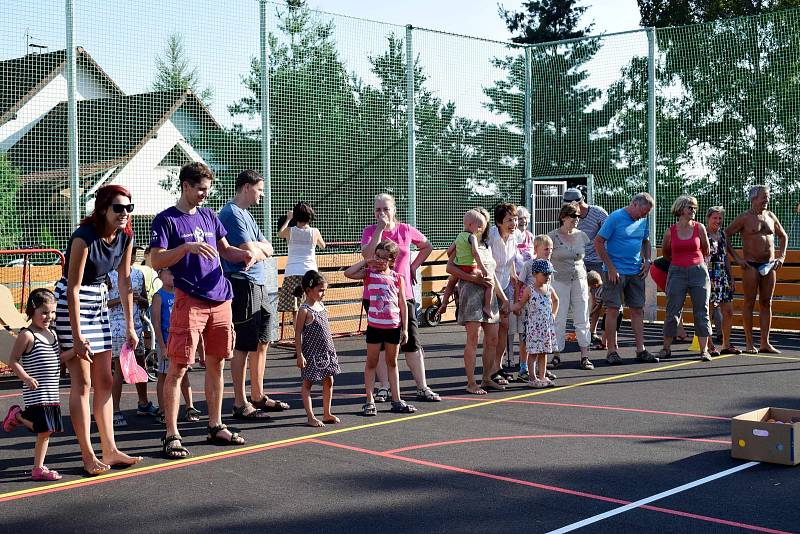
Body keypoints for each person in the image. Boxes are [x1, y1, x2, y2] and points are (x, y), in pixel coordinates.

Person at [150, 162, 256, 459]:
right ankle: (171, 434)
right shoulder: (166, 220)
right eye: (200, 189)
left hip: (220, 299)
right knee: (179, 366)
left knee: (217, 364)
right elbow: (155, 260)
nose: (204, 196)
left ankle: (215, 425)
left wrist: (245, 255)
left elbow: (225, 250)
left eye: (207, 191)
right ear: (185, 185)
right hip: (189, 301)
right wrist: (186, 249)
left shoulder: (210, 216)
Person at [55, 184, 143, 475]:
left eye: (129, 208)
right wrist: (77, 337)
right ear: (103, 208)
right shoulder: (84, 238)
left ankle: (111, 449)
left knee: (105, 380)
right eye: (118, 208)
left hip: (100, 301)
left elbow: (125, 281)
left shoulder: (125, 237)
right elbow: (73, 288)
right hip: (74, 303)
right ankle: (88, 454)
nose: (125, 214)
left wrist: (130, 325)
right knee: (83, 384)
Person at [219, 170, 288, 421]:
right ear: (246, 187)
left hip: (260, 283)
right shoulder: (231, 214)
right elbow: (248, 251)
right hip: (243, 284)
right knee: (244, 344)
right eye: (260, 189)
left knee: (263, 340)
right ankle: (240, 402)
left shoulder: (247, 215)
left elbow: (267, 248)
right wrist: (257, 250)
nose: (262, 194)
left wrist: (257, 250)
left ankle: (258, 395)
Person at [361, 193, 439, 403]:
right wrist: (379, 229)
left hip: (403, 295)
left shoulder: (405, 229)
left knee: (411, 340)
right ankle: (384, 387)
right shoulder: (370, 231)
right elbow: (367, 256)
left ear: (394, 210)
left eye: (386, 209)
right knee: (380, 346)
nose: (382, 213)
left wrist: (413, 267)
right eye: (378, 209)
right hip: (376, 297)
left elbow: (427, 246)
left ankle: (422, 387)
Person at [346, 240, 416, 416]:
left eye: (384, 258)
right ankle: (369, 400)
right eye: (377, 256)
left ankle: (397, 399)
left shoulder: (397, 277)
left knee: (392, 363)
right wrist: (366, 261)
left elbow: (403, 304)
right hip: (375, 326)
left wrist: (405, 329)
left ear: (392, 261)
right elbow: (348, 273)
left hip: (393, 326)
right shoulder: (368, 274)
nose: (379, 260)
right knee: (371, 363)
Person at [3, 289, 66, 481]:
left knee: (48, 430)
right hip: (36, 392)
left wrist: (78, 350)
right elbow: (13, 360)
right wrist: (26, 378)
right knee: (44, 430)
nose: (49, 317)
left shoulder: (52, 334)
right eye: (44, 312)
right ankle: (38, 468)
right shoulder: (27, 335)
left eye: (52, 312)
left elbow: (59, 358)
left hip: (51, 392)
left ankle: (18, 416)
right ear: (33, 310)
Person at [446, 212, 510, 395]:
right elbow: (450, 268)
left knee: (493, 338)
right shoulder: (464, 241)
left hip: (488, 294)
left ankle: (487, 377)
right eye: (478, 222)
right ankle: (471, 383)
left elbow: (492, 275)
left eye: (484, 222)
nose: (482, 226)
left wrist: (503, 298)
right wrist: (473, 280)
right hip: (471, 292)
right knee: (473, 338)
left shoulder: (486, 245)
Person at [594, 192, 658, 365]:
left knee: (638, 309)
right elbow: (598, 242)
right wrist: (611, 268)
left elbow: (646, 241)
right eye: (643, 212)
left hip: (636, 271)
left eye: (646, 214)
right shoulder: (615, 217)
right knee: (613, 309)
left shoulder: (642, 221)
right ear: (634, 204)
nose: (643, 216)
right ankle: (611, 351)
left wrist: (647, 260)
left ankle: (640, 349)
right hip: (615, 272)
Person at [725, 185, 788, 354]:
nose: (767, 200)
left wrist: (781, 257)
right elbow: (725, 235)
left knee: (766, 303)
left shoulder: (770, 216)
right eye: (764, 197)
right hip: (750, 265)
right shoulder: (744, 218)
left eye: (767, 197)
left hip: (769, 265)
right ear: (753, 199)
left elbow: (783, 236)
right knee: (749, 303)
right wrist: (737, 258)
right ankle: (749, 343)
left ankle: (765, 343)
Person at [657, 196, 712, 361]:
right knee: (672, 311)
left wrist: (695, 263)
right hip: (677, 272)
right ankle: (666, 348)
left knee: (702, 310)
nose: (693, 211)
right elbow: (666, 253)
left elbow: (706, 250)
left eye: (695, 208)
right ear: (681, 209)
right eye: (690, 207)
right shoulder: (670, 231)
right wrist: (679, 262)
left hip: (698, 272)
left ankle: (704, 350)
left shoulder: (699, 228)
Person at [108, 256, 158, 427]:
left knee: (140, 363)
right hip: (116, 325)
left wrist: (138, 299)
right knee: (119, 368)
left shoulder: (138, 274)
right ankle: (114, 410)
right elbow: (104, 302)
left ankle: (143, 403)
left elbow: (144, 300)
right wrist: (124, 299)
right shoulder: (109, 275)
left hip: (136, 324)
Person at [548, 203, 593, 370]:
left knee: (582, 316)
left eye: (578, 216)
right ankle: (556, 354)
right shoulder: (552, 236)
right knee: (559, 318)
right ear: (563, 217)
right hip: (559, 279)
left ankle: (585, 355)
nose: (577, 219)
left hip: (579, 279)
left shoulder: (582, 236)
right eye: (573, 216)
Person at [152, 268, 200, 424]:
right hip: (166, 342)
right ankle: (163, 409)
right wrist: (162, 346)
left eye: (174, 272)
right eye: (169, 273)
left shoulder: (180, 293)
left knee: (183, 373)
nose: (173, 276)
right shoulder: (159, 297)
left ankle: (189, 406)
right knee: (164, 375)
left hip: (181, 340)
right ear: (160, 275)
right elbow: (156, 323)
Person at [294, 270, 341, 427]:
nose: (323, 294)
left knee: (329, 380)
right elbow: (298, 333)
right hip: (312, 354)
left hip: (326, 352)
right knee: (308, 383)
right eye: (320, 290)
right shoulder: (305, 310)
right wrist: (299, 354)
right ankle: (310, 416)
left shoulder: (321, 306)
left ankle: (327, 413)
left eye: (325, 290)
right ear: (308, 290)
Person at [513, 259, 559, 388]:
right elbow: (521, 304)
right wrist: (511, 308)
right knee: (533, 353)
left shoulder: (549, 288)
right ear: (535, 274)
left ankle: (542, 376)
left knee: (543, 352)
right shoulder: (530, 289)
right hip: (534, 328)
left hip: (545, 327)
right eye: (545, 274)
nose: (548, 277)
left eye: (549, 274)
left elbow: (556, 300)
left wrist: (554, 314)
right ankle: (532, 378)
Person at [436, 209, 491, 317]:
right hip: (470, 267)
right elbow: (475, 252)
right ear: (471, 225)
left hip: (459, 266)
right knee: (490, 285)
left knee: (451, 283)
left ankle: (444, 302)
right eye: (479, 226)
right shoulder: (472, 237)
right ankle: (487, 307)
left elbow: (449, 251)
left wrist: (459, 258)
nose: (480, 229)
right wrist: (482, 268)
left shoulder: (459, 236)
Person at [487, 203, 518, 384]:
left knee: (505, 327)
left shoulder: (514, 236)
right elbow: (491, 270)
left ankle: (498, 366)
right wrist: (503, 297)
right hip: (491, 287)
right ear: (499, 222)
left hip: (506, 284)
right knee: (494, 329)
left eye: (514, 219)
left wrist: (514, 275)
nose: (513, 223)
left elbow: (510, 260)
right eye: (509, 220)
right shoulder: (491, 236)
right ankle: (490, 370)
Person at [278, 201, 326, 317]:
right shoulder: (315, 232)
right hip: (310, 273)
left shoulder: (290, 231)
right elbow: (323, 245)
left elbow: (280, 234)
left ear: (296, 216)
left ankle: (298, 334)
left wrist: (288, 219)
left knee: (296, 309)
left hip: (292, 272)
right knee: (311, 305)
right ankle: (309, 331)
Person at [706, 206, 739, 356]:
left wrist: (731, 277)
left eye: (720, 218)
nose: (718, 221)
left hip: (723, 276)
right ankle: (709, 344)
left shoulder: (723, 235)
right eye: (715, 218)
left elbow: (725, 257)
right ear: (708, 218)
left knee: (729, 311)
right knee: (709, 312)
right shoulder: (703, 233)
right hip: (708, 275)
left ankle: (726, 344)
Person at [564, 187, 608, 276]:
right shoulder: (569, 217)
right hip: (578, 261)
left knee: (599, 288)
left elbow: (609, 236)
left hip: (598, 262)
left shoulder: (598, 213)